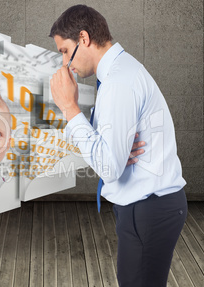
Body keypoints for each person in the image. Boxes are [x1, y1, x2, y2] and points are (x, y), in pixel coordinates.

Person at [49, 5, 187, 287]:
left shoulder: (118, 82)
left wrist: (69, 108)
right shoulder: (118, 73)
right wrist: (113, 148)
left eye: (64, 50)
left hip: (148, 208)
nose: (65, 63)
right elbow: (109, 155)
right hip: (147, 206)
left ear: (84, 39)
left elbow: (109, 167)